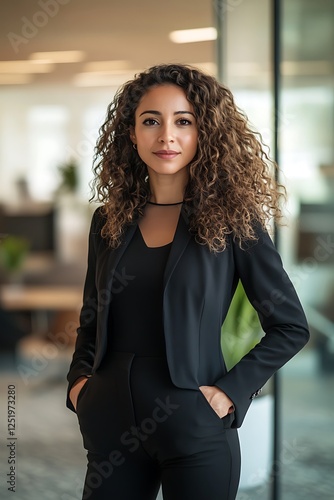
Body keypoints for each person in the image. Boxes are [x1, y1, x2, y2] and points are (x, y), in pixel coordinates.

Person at [66, 63, 309, 500]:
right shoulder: (109, 221)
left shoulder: (235, 222)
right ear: (131, 133)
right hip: (109, 425)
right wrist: (80, 384)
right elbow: (92, 316)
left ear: (205, 133)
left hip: (195, 426)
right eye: (150, 121)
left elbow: (290, 326)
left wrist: (230, 393)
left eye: (184, 121)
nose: (166, 137)